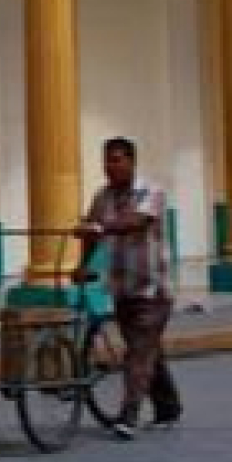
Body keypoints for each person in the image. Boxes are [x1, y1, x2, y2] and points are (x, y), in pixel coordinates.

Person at [75, 136, 181, 441]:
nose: (110, 167)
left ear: (132, 162)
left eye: (117, 160)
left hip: (153, 290)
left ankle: (128, 415)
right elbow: (92, 234)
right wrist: (83, 264)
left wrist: (100, 227)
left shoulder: (152, 192)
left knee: (137, 352)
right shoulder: (102, 196)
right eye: (106, 160)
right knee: (148, 350)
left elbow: (137, 222)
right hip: (122, 288)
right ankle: (169, 406)